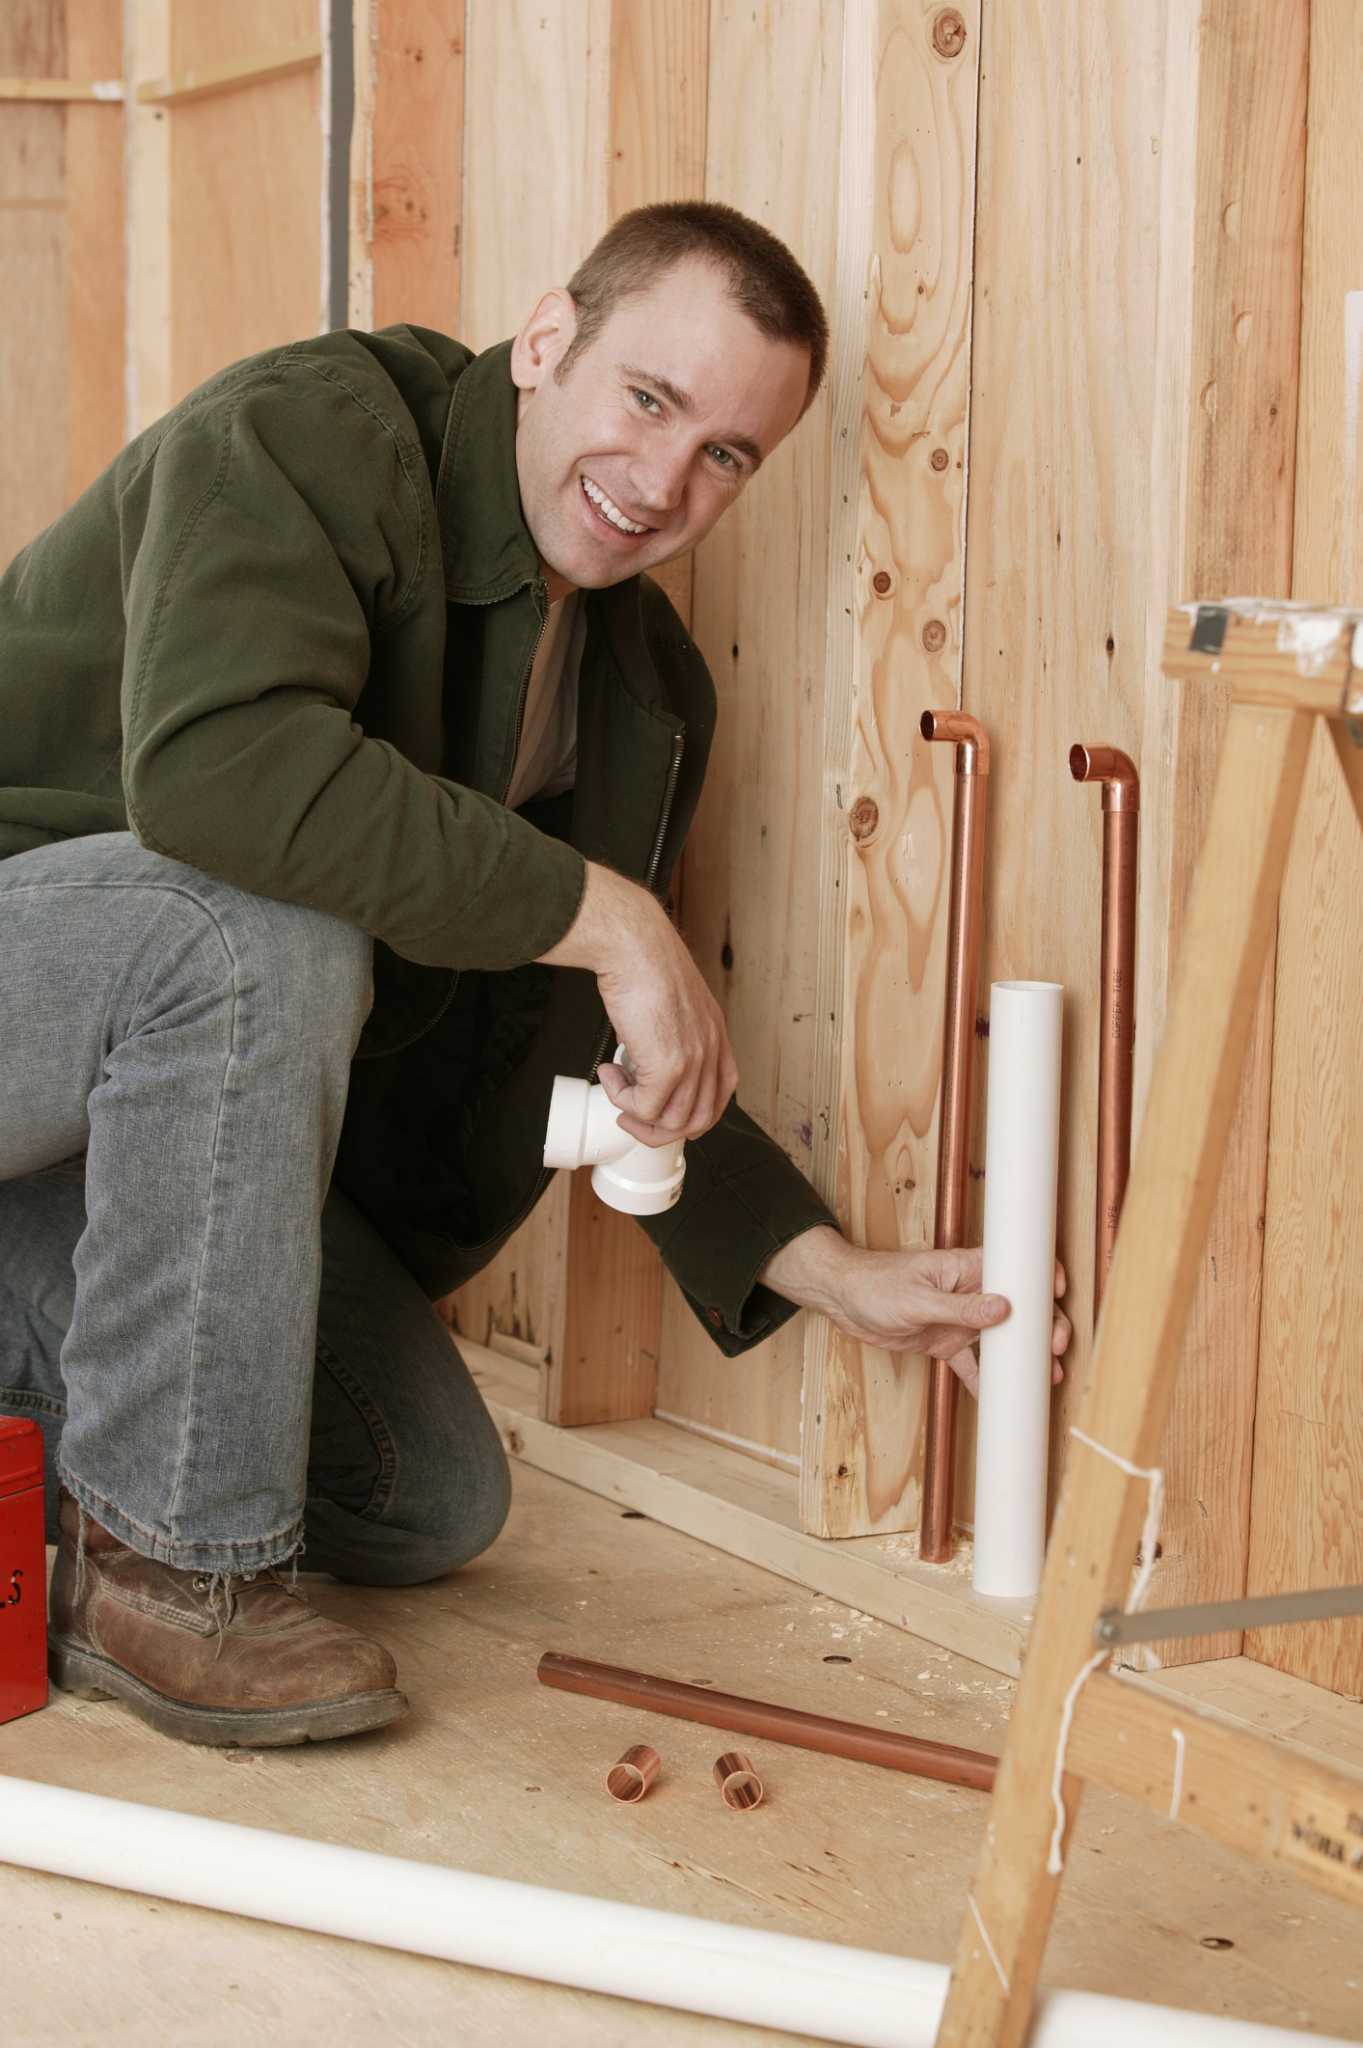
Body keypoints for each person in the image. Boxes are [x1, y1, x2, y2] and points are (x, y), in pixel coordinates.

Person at [0, 202, 1069, 1748]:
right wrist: (612, 912)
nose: (663, 482)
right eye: (650, 399)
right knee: (249, 925)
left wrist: (828, 1270)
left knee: (424, 1492)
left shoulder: (643, 694)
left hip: (83, 1156)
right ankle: (167, 1575)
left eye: (727, 455)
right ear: (550, 340)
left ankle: (83, 1447)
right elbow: (222, 776)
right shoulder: (310, 435)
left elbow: (588, 1032)